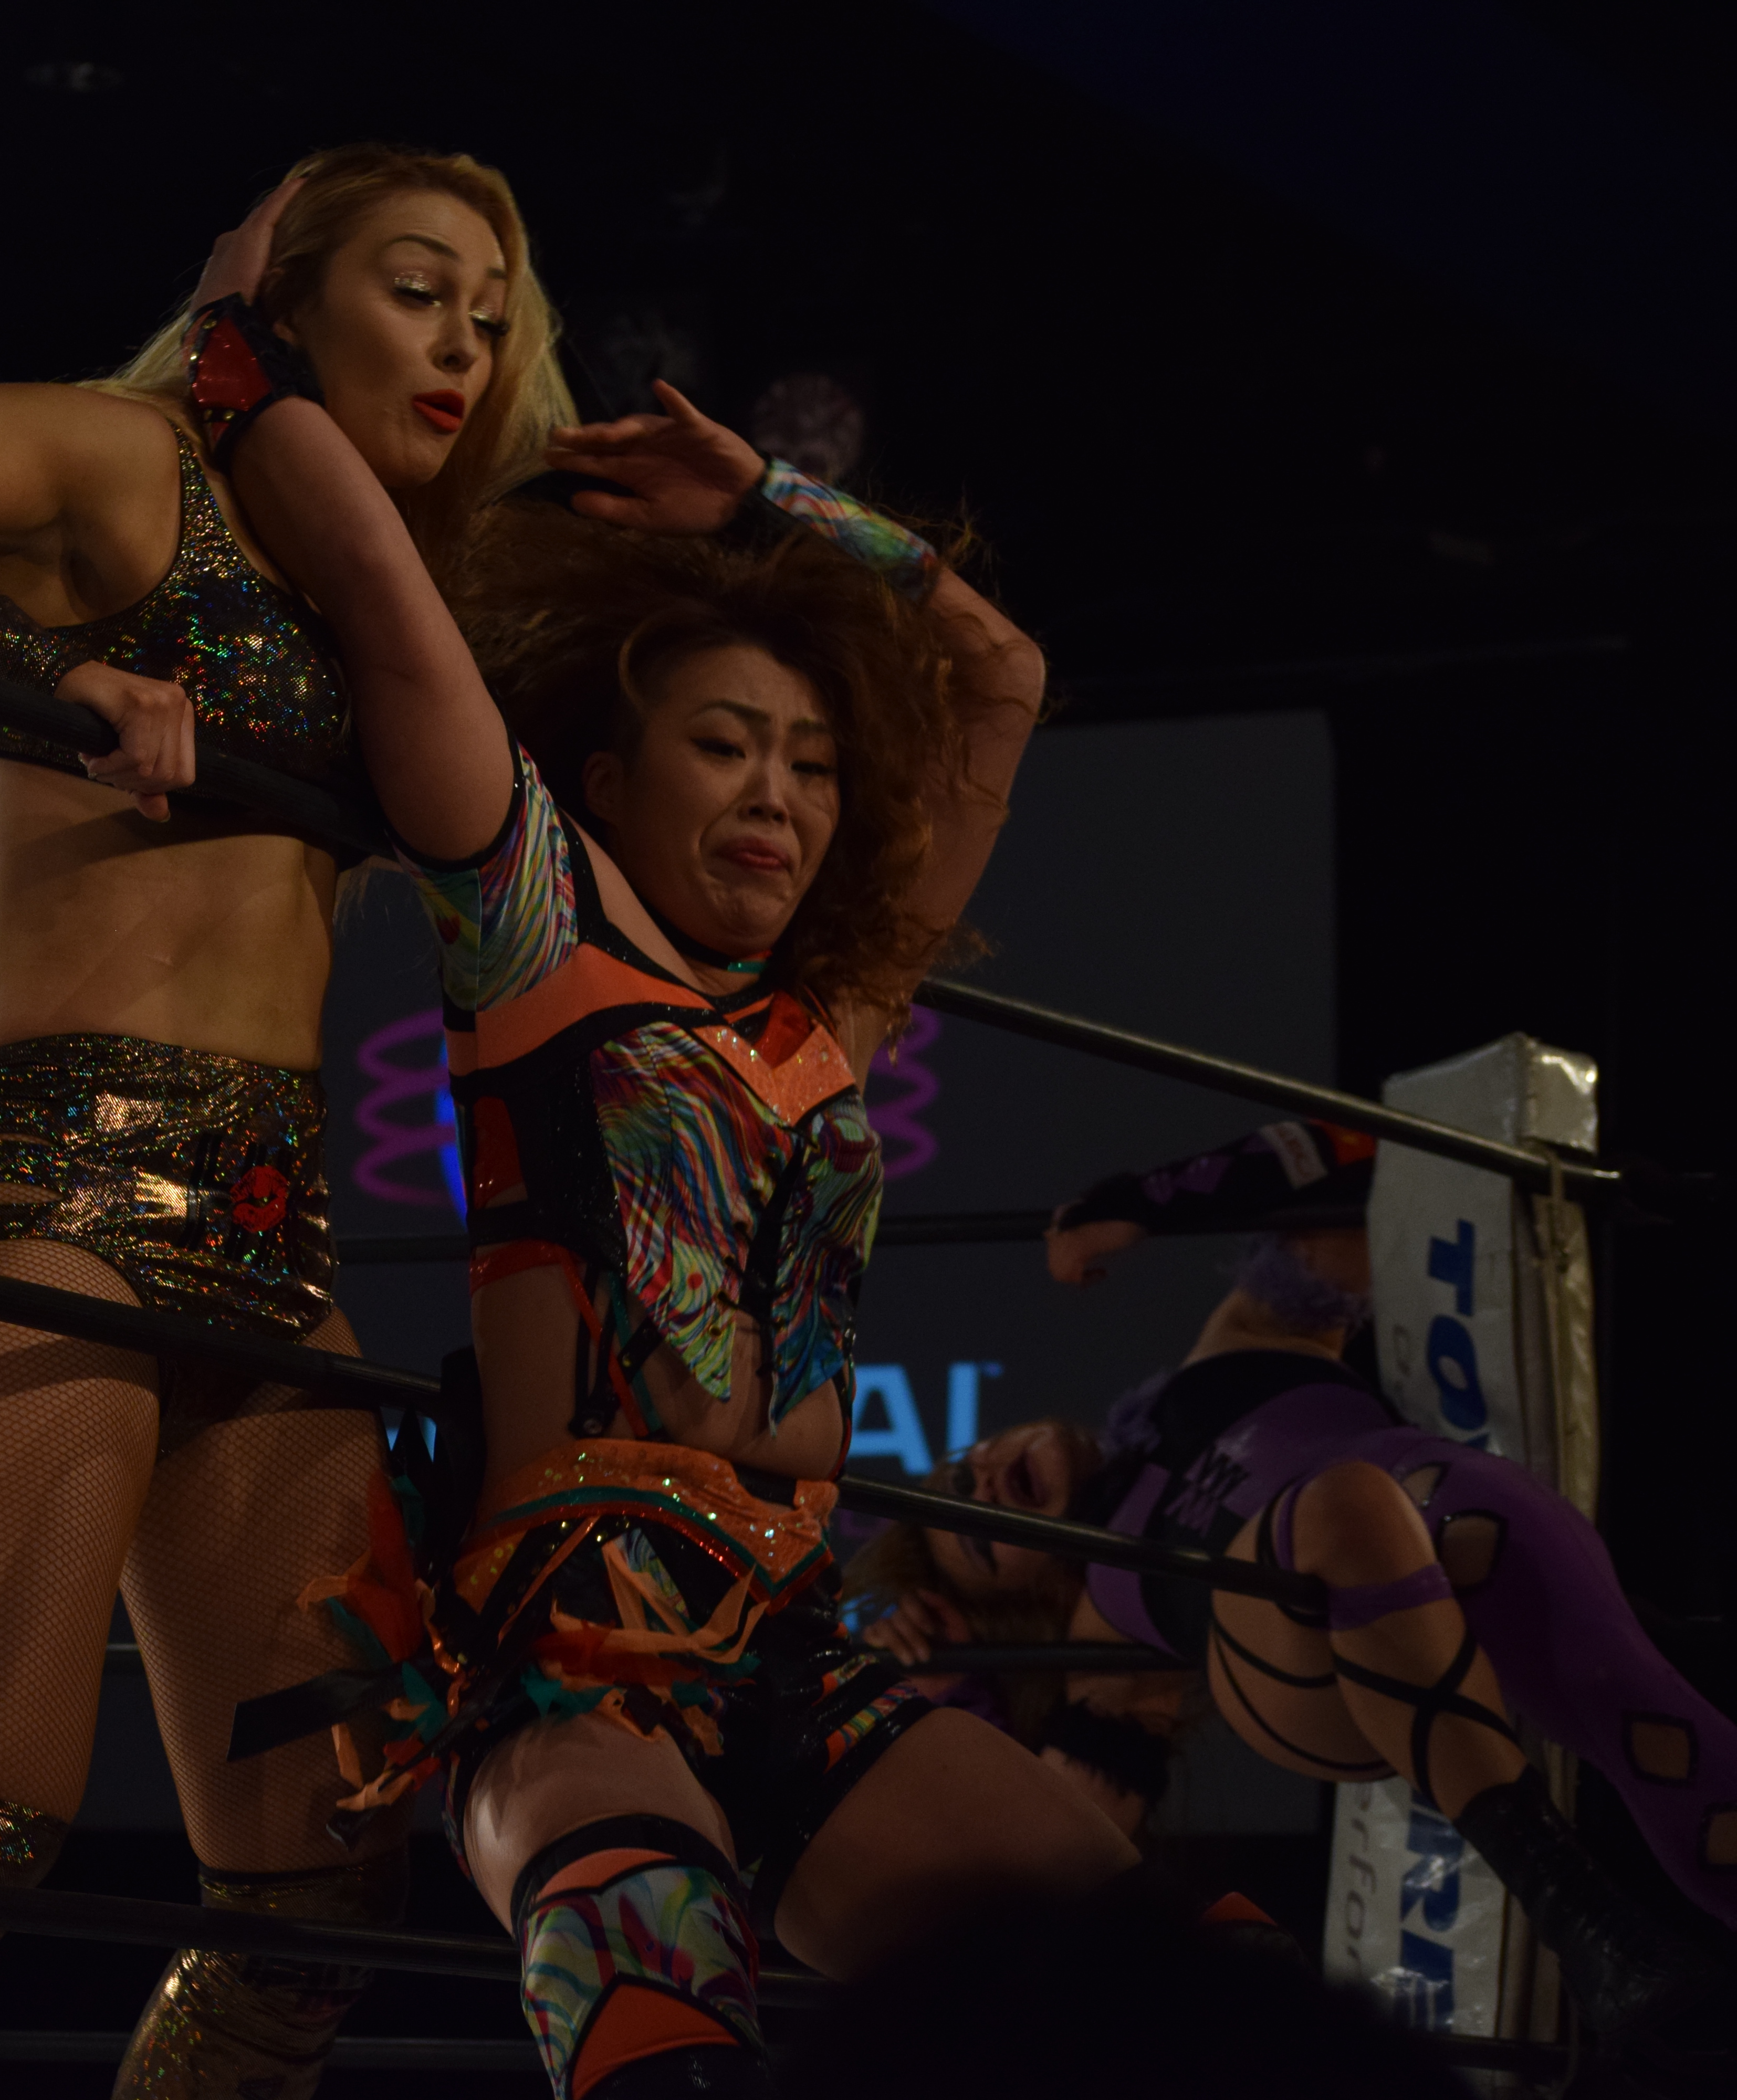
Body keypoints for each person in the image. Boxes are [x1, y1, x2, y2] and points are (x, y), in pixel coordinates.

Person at [0, 146, 574, 2100]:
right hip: (45, 1197)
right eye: (420, 290)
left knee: (316, 1917)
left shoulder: (379, 583)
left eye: (493, 321)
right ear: (288, 302)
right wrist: (40, 668)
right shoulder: (125, 457)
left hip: (275, 1247)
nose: (464, 348)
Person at [200, 253, 1134, 2098]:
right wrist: (243, 348)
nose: (778, 795)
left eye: (811, 764)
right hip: (570, 1666)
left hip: (803, 1653)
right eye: (724, 745)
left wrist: (772, 501)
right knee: (656, 2016)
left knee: (1176, 2000)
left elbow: (1002, 675)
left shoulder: (828, 1023)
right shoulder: (543, 948)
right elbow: (386, 599)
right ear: (608, 784)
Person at [855, 1120, 1737, 2068]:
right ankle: (1577, 1909)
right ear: (1027, 1597)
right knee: (1350, 1501)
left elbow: (1352, 1156)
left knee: (1612, 1673)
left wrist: (1145, 1200)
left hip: (1441, 1517)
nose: (982, 1483)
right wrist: (936, 1701)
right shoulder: (1101, 1630)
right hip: (1300, 1655)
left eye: (960, 1472)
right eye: (981, 1538)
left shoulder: (1230, 1349)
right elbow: (1052, 1851)